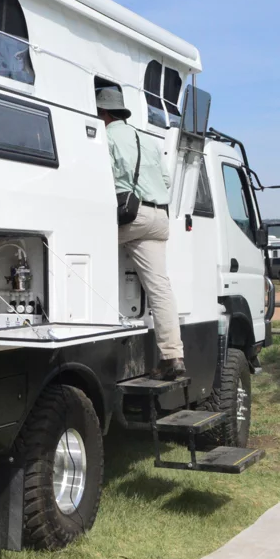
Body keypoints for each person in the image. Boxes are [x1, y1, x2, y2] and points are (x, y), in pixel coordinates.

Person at [96, 86, 185, 380]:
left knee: (84, 246)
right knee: (160, 289)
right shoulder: (146, 140)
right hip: (160, 215)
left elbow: (99, 177)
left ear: (104, 113)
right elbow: (165, 180)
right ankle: (173, 357)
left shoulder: (105, 137)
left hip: (130, 215)